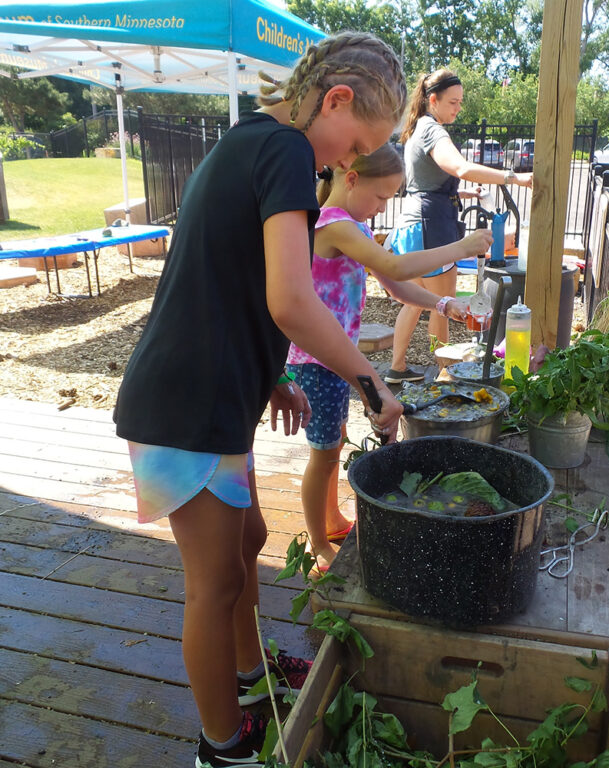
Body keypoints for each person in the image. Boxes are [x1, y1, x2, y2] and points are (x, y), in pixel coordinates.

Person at [112, 32, 408, 768]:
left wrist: (271, 375)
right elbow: (292, 300)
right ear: (335, 100)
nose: (348, 161)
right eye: (356, 143)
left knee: (245, 545)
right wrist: (369, 381)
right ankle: (226, 746)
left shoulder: (252, 138)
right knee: (211, 585)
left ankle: (251, 678)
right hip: (186, 406)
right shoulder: (285, 152)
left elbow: (227, 277)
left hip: (216, 394)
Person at [286, 144, 494, 570]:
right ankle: (318, 542)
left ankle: (331, 519)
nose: (381, 208)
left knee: (333, 439)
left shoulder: (355, 229)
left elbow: (396, 285)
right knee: (322, 452)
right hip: (313, 359)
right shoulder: (334, 225)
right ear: (352, 178)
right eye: (380, 197)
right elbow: (398, 268)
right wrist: (461, 246)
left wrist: (443, 305)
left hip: (336, 358)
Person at [384, 68, 533, 384]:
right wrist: (515, 177)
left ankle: (397, 368)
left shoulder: (417, 129)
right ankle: (445, 378)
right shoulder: (433, 131)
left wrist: (462, 192)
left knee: (415, 302)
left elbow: (424, 183)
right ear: (433, 100)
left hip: (414, 226)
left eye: (460, 102)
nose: (458, 108)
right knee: (443, 306)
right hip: (432, 228)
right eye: (453, 102)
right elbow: (462, 167)